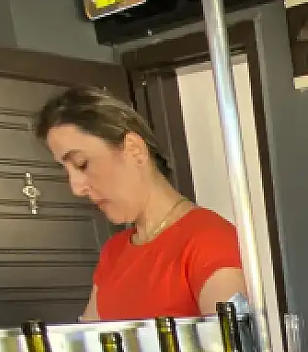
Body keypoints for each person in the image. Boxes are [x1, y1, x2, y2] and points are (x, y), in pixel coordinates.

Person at [34, 86, 245, 321]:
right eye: (67, 170)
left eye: (82, 164)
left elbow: (233, 349)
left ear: (134, 150)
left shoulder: (211, 240)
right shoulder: (113, 253)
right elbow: (89, 346)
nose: (76, 187)